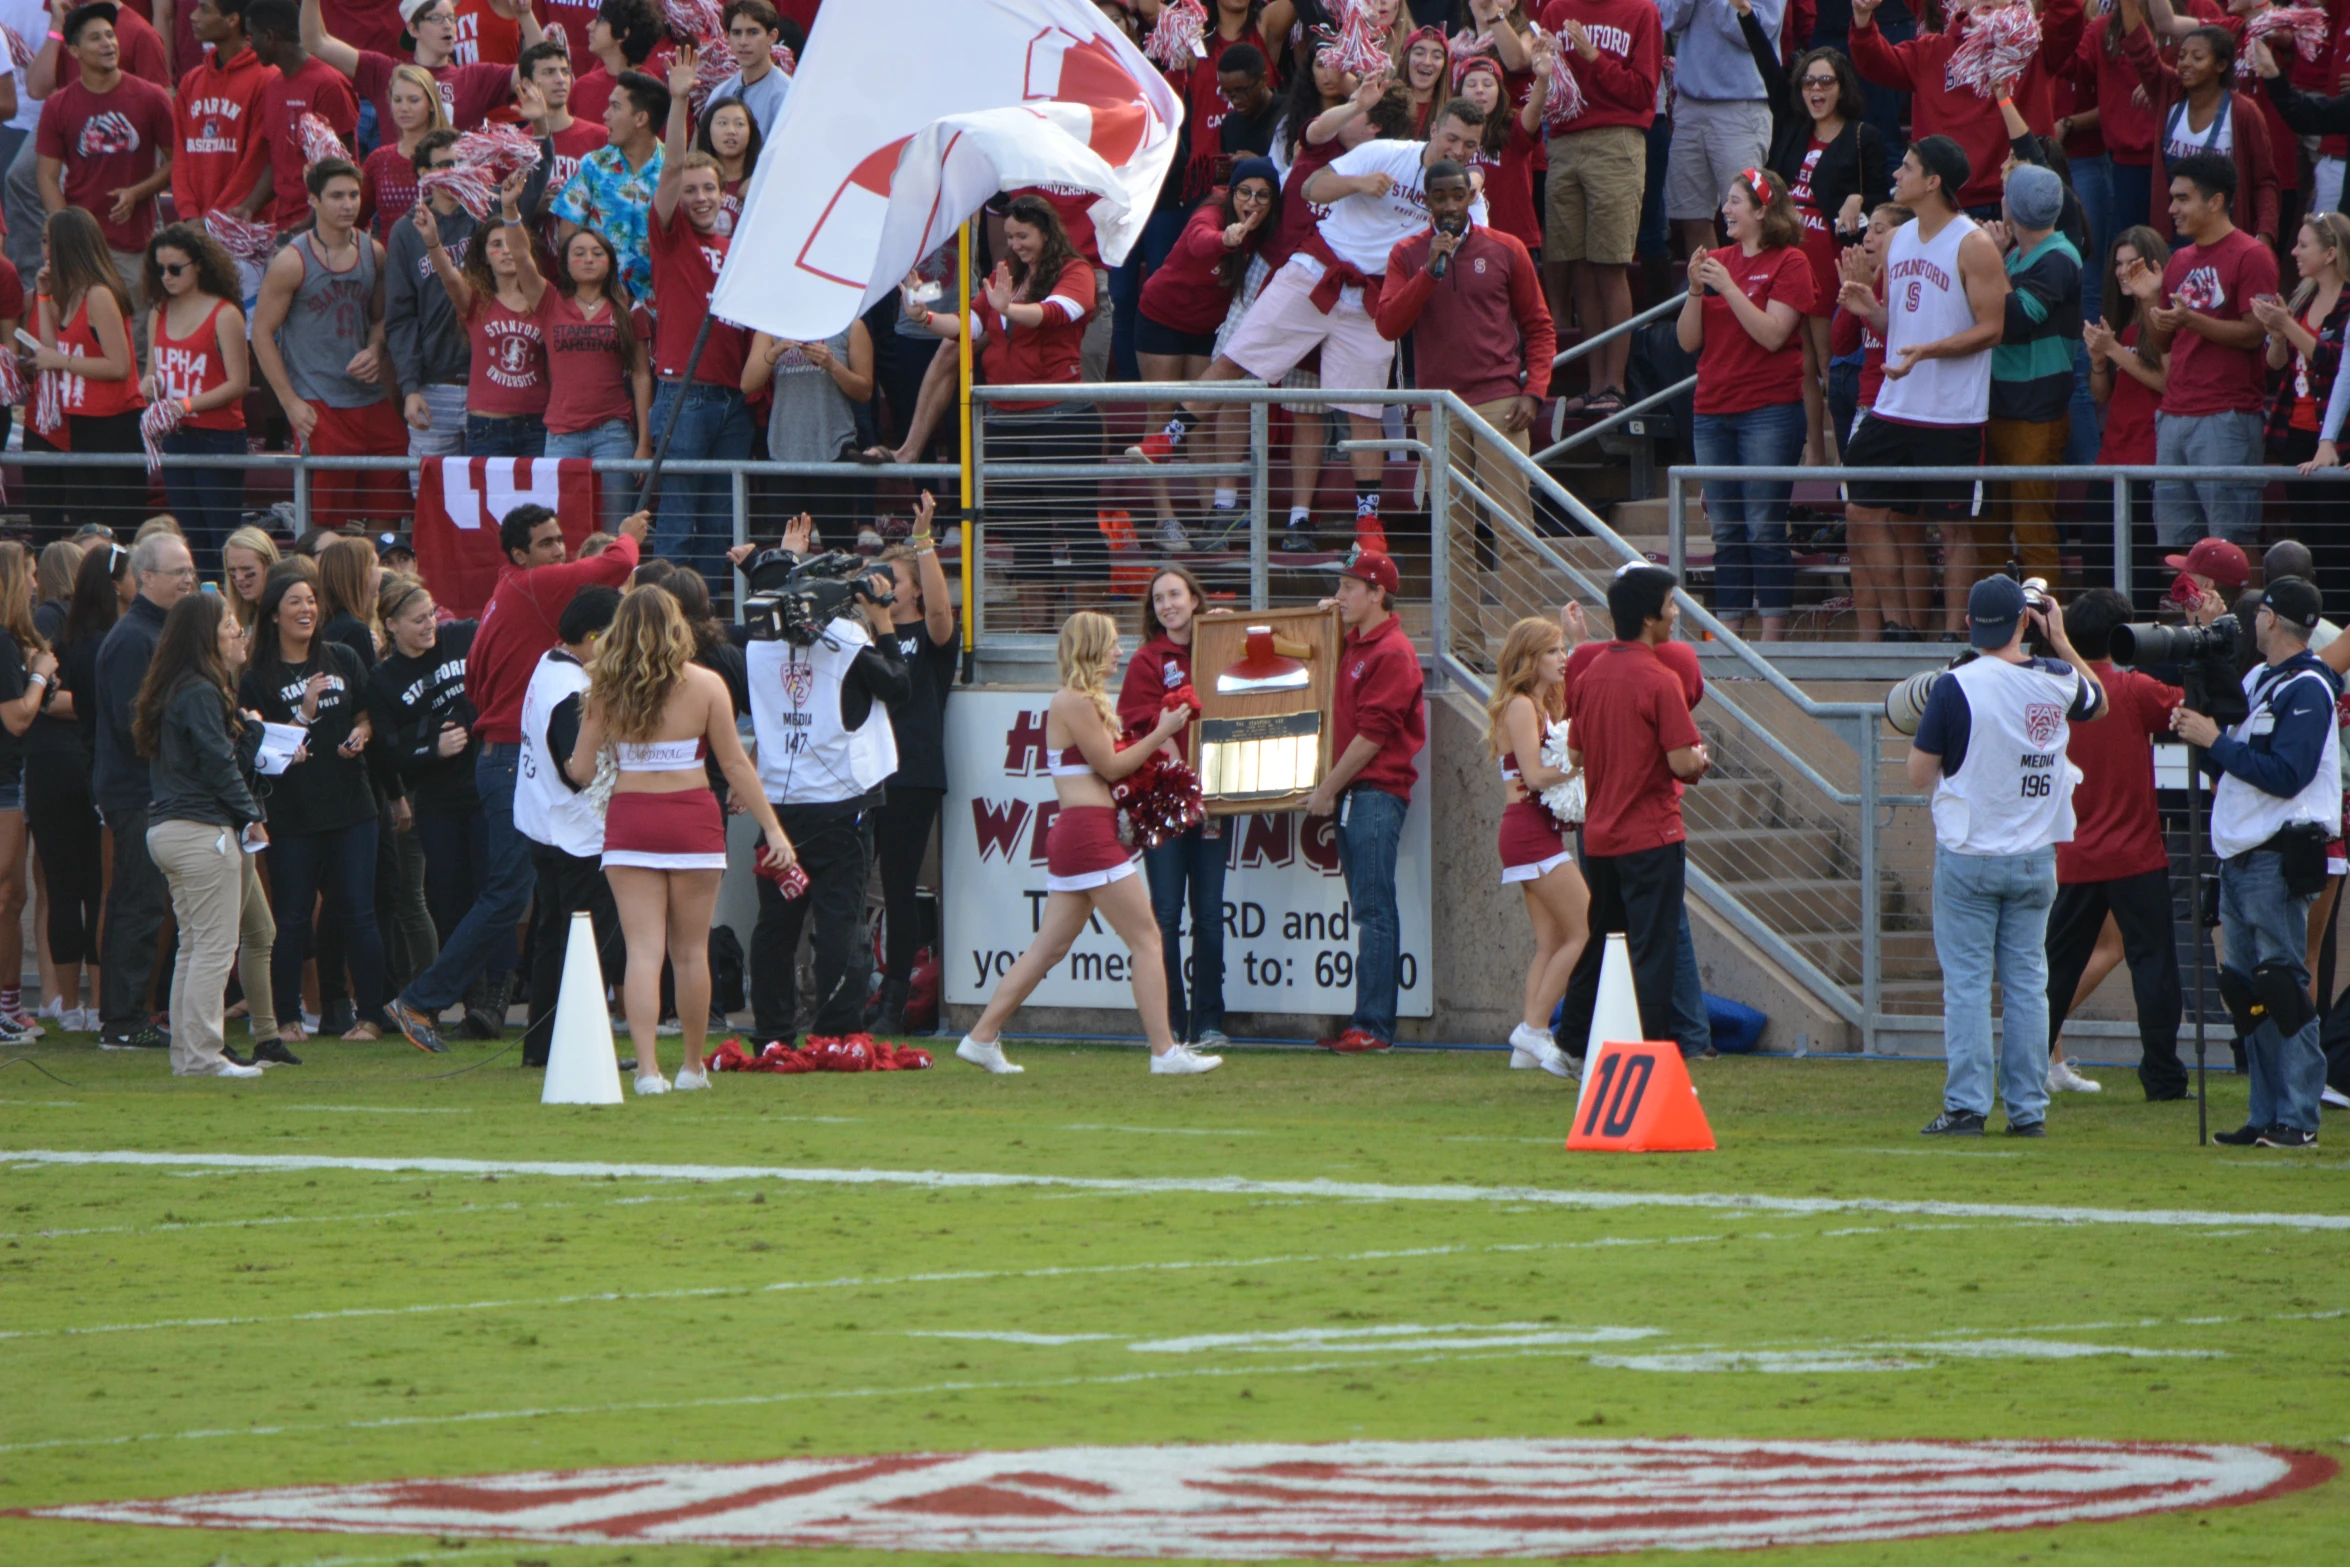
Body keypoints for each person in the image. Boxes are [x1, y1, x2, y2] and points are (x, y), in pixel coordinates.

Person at [1131, 95, 1490, 556]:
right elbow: (1310, 187)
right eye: (1453, 138)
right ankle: (1167, 439)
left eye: (1470, 145)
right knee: (1236, 359)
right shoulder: (1388, 153)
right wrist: (1359, 182)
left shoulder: (1467, 198)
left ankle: (1367, 524)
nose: (1459, 151)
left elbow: (1478, 247)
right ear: (1435, 129)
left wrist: (1459, 216)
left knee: (1362, 413)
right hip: (1316, 270)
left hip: (1374, 296)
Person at [385, 504, 644, 1054]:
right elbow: (612, 567)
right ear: (520, 555)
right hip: (515, 762)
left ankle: (541, 1041)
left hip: (503, 757)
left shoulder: (506, 591)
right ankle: (420, 1000)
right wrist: (627, 537)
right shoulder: (540, 588)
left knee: (543, 908)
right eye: (547, 543)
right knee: (511, 897)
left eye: (560, 539)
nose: (560, 551)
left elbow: (475, 672)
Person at [953, 610, 1217, 1078]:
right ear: (1093, 648)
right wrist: (1162, 731)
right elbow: (1112, 769)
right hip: (1086, 835)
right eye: (1114, 644)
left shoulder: (1084, 701)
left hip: (1085, 831)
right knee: (1147, 938)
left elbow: (1112, 775)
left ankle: (980, 1037)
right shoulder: (1073, 701)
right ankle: (1164, 1051)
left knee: (1048, 950)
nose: (1120, 652)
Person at [1907, 576, 2107, 1136]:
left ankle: (1968, 1106)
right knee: (2027, 984)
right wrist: (2061, 638)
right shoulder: (2056, 678)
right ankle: (2027, 1111)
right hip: (2035, 855)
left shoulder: (1956, 685)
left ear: (1971, 623)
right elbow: (2098, 701)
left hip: (1971, 850)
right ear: (2026, 620)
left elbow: (1919, 772)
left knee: (1968, 985)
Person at [572, 584, 791, 1094]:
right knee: (691, 951)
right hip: (693, 819)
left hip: (631, 821)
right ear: (678, 628)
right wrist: (774, 827)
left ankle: (649, 1071)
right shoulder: (708, 684)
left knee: (643, 951)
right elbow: (735, 763)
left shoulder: (603, 687)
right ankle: (694, 1067)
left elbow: (581, 770)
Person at [2174, 576, 2338, 1149]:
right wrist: (2205, 738)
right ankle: (2264, 1111)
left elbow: (2287, 775)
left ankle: (2299, 1115)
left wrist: (2214, 742)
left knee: (2283, 984)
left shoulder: (2311, 687)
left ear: (2271, 618)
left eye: (2258, 613)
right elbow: (2236, 769)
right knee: (2246, 989)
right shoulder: (2258, 679)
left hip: (2276, 852)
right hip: (2239, 854)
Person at [729, 520, 906, 1048]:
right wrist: (883, 621)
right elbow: (899, 684)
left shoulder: (754, 646)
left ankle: (772, 1033)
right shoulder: (846, 638)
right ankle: (835, 1032)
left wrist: (771, 563)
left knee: (775, 927)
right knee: (838, 924)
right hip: (841, 808)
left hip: (779, 808)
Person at [1374, 156, 1554, 665]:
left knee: (1512, 527)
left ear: (1471, 197)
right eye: (1440, 197)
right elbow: (1388, 324)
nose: (1451, 205)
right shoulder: (1408, 253)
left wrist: (1533, 390)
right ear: (1426, 201)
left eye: (1459, 196)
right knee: (1452, 532)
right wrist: (1432, 270)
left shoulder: (1506, 248)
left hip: (1499, 400)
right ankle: (1465, 649)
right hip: (1438, 406)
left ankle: (1528, 652)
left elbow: (1539, 326)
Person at [1841, 137, 2009, 638]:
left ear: (1933, 182)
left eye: (1908, 167)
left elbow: (1993, 328)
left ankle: (1957, 634)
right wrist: (1867, 310)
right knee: (1861, 509)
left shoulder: (1972, 243)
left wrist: (1926, 352)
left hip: (1953, 412)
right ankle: (1898, 624)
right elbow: (1903, 322)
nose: (1897, 173)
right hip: (1895, 404)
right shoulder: (1899, 239)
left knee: (1953, 528)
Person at [905, 192, 1099, 611]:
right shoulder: (1004, 275)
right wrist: (924, 316)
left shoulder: (1075, 270)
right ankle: (1035, 627)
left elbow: (1058, 313)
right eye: (1009, 236)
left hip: (1062, 419)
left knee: (1076, 526)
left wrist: (1009, 307)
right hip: (1005, 422)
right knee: (1025, 531)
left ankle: (1089, 630)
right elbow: (967, 326)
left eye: (1023, 235)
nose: (1014, 245)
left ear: (1046, 232)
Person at [1554, 566, 1712, 1061]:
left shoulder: (1589, 672)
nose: (1674, 613)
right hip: (1651, 835)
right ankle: (1653, 1054)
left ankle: (1572, 1045)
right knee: (1653, 949)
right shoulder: (1659, 678)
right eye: (1669, 604)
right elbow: (1682, 762)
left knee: (1601, 944)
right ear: (1649, 617)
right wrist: (1701, 759)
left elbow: (1576, 754)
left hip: (1600, 837)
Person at [2042, 587, 2192, 1101]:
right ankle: (2163, 1076)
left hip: (2075, 853)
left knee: (2055, 969)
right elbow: (2186, 706)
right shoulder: (2132, 689)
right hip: (2136, 855)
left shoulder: (2055, 693)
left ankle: (2023, 1064)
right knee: (2154, 967)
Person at [133, 589, 283, 1078]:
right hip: (200, 830)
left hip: (172, 830)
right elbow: (219, 765)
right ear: (206, 636)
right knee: (214, 948)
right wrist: (248, 814)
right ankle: (201, 1056)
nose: (237, 632)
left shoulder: (177, 687)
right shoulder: (198, 690)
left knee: (196, 947)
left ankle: (188, 1054)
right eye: (228, 626)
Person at [242, 564, 385, 1044]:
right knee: (292, 916)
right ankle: (286, 1018)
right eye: (295, 603)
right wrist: (302, 713)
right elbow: (257, 748)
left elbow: (366, 713)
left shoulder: (341, 656)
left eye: (311, 601)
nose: (306, 610)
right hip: (293, 813)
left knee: (357, 912)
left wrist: (361, 734)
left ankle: (370, 1017)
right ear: (275, 616)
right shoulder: (257, 676)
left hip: (351, 806)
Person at [1678, 167, 1814, 641]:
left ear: (1762, 210)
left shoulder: (1790, 261)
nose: (1726, 210)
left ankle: (1772, 642)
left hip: (1769, 410)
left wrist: (1730, 288)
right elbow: (1688, 341)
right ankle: (1730, 634)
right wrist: (1696, 289)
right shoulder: (1716, 259)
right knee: (1727, 532)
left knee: (1763, 527)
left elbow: (1774, 336)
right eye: (1726, 201)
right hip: (1712, 409)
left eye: (1736, 201)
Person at [1744, 23, 1887, 465]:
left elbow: (1885, 206)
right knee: (1800, 362)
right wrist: (1747, 15)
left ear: (1842, 87)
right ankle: (1816, 456)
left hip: (1830, 258)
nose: (1816, 89)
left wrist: (1858, 200)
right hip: (1788, 257)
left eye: (1825, 80)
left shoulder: (1865, 136)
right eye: (1809, 81)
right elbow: (1771, 72)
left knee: (1829, 361)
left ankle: (1847, 454)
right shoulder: (1792, 128)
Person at [1306, 547, 1427, 1054]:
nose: (1340, 596)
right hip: (1365, 792)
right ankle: (1368, 1022)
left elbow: (1373, 738)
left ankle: (1374, 1025)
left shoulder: (1390, 651)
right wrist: (1318, 624)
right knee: (1370, 910)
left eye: (1349, 588)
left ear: (1378, 593)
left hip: (1374, 792)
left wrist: (1328, 787)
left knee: (1374, 911)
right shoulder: (1363, 644)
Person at [252, 158, 411, 531]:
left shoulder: (373, 252)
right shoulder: (292, 261)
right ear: (314, 200)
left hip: (369, 398)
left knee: (388, 506)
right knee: (326, 520)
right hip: (318, 400)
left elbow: (378, 319)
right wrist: (290, 402)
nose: (348, 204)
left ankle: (376, 579)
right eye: (337, 196)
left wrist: (374, 349)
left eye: (354, 195)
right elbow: (261, 333)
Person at [1132, 156, 1279, 554]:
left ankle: (1210, 520)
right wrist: (1227, 239)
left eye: (1263, 195)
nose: (1252, 202)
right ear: (1232, 193)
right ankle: (1166, 521)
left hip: (1204, 329)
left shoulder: (1270, 231)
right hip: (1161, 316)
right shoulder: (1212, 212)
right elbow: (1199, 239)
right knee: (1162, 415)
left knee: (1197, 417)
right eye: (1245, 192)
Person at [2138, 152, 2277, 562]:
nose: (2172, 209)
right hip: (2175, 414)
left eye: (2182, 198)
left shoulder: (2252, 255)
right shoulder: (2179, 259)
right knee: (2179, 547)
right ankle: (2190, 625)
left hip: (2227, 417)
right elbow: (2163, 344)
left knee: (2233, 547)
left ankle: (2243, 626)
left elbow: (2255, 334)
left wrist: (2191, 320)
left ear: (2215, 201)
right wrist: (2149, 300)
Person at [645, 49, 750, 583]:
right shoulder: (671, 238)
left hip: (734, 398)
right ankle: (662, 624)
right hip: (684, 394)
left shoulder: (735, 247)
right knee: (679, 524)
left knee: (719, 531)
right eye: (692, 191)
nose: (702, 197)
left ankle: (708, 629)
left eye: (710, 188)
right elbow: (668, 171)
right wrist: (682, 100)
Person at [1118, 566, 1228, 1052]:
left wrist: (1234, 627)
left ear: (1194, 599)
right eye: (1159, 598)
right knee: (1164, 913)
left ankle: (1208, 1023)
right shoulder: (1146, 660)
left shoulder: (1218, 642)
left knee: (1207, 913)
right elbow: (1139, 726)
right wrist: (1183, 778)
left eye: (1175, 595)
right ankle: (1169, 1027)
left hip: (1215, 800)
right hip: (1163, 802)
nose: (1168, 605)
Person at [92, 531, 194, 1050]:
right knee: (138, 903)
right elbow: (135, 725)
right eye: (177, 571)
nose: (187, 578)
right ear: (144, 578)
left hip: (152, 791)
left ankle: (134, 1013)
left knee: (150, 904)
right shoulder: (135, 638)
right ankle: (122, 1021)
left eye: (190, 569)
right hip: (137, 793)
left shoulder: (159, 633)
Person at [1538, 0, 1663, 418]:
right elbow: (1548, 81)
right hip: (1564, 139)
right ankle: (1594, 387)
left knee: (1610, 265)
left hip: (1617, 140)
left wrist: (1593, 57)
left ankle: (1616, 384)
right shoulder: (1556, 9)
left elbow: (1643, 92)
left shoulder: (1642, 11)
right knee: (1578, 266)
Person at [514, 582, 621, 1065]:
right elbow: (576, 769)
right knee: (580, 947)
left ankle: (544, 1048)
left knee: (552, 941)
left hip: (546, 825)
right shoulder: (572, 689)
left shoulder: (548, 665)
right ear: (594, 636)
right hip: (575, 835)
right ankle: (576, 1049)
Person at [1848, 0, 2083, 218]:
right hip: (1946, 205)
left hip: (2018, 203)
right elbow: (1875, 61)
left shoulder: (2036, 41)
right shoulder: (1932, 49)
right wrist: (1862, 16)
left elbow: (2068, 13)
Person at [1484, 612, 1587, 1078]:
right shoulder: (1522, 705)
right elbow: (1535, 776)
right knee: (1585, 930)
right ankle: (1536, 1027)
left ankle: (1527, 1044)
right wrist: (1584, 768)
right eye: (1553, 650)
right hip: (1527, 829)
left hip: (1534, 831)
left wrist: (1584, 640)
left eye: (1563, 649)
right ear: (1529, 658)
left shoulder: (1545, 704)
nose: (1561, 658)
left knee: (1550, 942)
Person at [872, 496, 956, 1035]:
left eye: (891, 577)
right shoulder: (858, 634)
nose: (881, 583)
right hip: (859, 773)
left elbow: (944, 617)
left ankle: (896, 1001)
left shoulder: (928, 637)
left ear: (917, 588)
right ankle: (846, 990)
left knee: (899, 885)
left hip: (910, 773)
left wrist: (923, 543)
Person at [1978, 163, 2082, 588]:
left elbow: (2017, 316)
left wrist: (1991, 262)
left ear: (2012, 208)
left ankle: (2044, 633)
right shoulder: (2015, 254)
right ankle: (1995, 625)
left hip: (2035, 414)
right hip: (1998, 407)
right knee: (1988, 530)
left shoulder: (2059, 257)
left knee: (2032, 527)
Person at [36, 3, 174, 308]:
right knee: (84, 334)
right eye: (96, 38)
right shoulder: (58, 106)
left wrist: (138, 192)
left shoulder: (151, 97)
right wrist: (68, 233)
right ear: (74, 52)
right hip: (83, 248)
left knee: (137, 337)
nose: (108, 44)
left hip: (135, 243)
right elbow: (46, 176)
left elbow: (178, 160)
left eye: (111, 36)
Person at [2120, 1, 2278, 249]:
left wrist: (2265, 237)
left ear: (2221, 65)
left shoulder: (2244, 113)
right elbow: (2141, 50)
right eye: (2182, 56)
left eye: (2197, 57)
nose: (2185, 64)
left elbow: (2264, 182)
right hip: (2172, 238)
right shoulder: (2170, 91)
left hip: (2227, 241)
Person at [28, 207, 145, 537]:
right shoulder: (70, 293)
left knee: (116, 528)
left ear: (69, 245)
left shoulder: (99, 295)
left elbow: (119, 365)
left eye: (51, 242)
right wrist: (43, 295)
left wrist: (61, 362)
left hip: (114, 423)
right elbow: (52, 349)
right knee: (87, 526)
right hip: (81, 420)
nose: (46, 250)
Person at [419, 167, 550, 458]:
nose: (506, 251)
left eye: (511, 245)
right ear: (484, 256)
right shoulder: (475, 300)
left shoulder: (543, 298)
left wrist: (510, 207)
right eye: (496, 245)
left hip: (537, 425)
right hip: (487, 427)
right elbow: (450, 277)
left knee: (536, 506)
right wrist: (432, 240)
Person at [142, 224, 249, 567]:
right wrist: (149, 386)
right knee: (192, 536)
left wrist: (184, 404)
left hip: (218, 437)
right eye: (159, 270)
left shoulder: (225, 314)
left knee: (222, 536)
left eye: (175, 269)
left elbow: (238, 383)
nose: (166, 277)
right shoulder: (159, 311)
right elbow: (152, 372)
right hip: (176, 435)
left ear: (198, 265)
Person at [541, 225, 650, 530]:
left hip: (613, 433)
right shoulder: (549, 302)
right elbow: (523, 259)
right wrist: (510, 212)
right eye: (579, 253)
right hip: (561, 434)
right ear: (566, 263)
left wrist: (644, 442)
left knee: (616, 528)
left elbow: (642, 375)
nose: (588, 259)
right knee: (561, 527)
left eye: (597, 252)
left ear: (610, 262)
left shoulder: (630, 308)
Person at [27, 541, 94, 1032]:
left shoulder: (52, 620)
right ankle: (79, 1004)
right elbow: (47, 698)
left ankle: (68, 1003)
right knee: (88, 887)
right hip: (73, 761)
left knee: (64, 887)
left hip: (54, 765)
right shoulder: (64, 620)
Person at [1657, 0, 1781, 258]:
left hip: (1741, 106)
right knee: (1692, 217)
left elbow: (1755, 32)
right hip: (1689, 104)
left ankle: (1746, 295)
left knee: (1748, 217)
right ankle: (1709, 295)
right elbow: (1665, 18)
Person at [303, 0, 534, 135]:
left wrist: (525, 15)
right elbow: (316, 42)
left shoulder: (476, 77)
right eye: (437, 19)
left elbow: (536, 69)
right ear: (413, 29)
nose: (448, 26)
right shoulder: (386, 72)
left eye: (451, 19)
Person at [2084, 225, 2170, 586]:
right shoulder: (2120, 317)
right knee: (2097, 565)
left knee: (2138, 570)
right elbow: (2103, 395)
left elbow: (2167, 383)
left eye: (2131, 262)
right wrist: (2099, 361)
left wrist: (2114, 350)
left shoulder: (2163, 315)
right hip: (2110, 457)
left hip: (2148, 459)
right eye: (2118, 263)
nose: (2122, 271)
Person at [386, 130, 472, 468]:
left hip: (489, 383)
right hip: (435, 384)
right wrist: (409, 388)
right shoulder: (407, 231)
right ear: (424, 173)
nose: (455, 170)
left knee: (488, 502)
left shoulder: (488, 215)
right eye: (445, 164)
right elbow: (400, 316)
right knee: (433, 501)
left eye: (461, 162)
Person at [549, 65, 664, 306]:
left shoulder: (672, 171)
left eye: (615, 106)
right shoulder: (594, 165)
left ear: (641, 118)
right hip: (598, 302)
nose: (605, 115)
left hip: (656, 305)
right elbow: (568, 232)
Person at [172, 0, 274, 266]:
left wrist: (213, 222)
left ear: (232, 20)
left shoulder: (266, 78)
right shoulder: (191, 81)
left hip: (243, 231)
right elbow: (180, 156)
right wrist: (190, 216)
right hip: (196, 231)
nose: (193, 17)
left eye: (204, 9)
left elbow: (258, 161)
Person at [247, 0, 360, 237]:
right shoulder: (273, 87)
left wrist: (312, 220)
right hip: (288, 225)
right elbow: (277, 160)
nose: (250, 45)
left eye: (252, 36)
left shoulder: (328, 83)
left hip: (327, 229)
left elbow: (343, 164)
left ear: (269, 36)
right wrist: (248, 207)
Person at [0, 542, 53, 1037]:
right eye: (30, 576)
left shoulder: (10, 640)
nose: (36, 585)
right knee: (4, 894)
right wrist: (38, 676)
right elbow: (17, 717)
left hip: (11, 776)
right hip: (3, 778)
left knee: (14, 895)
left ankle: (9, 1000)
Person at [2258, 213, 2350, 479]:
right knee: (2303, 516)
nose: (2294, 251)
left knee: (2333, 517)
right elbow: (2277, 364)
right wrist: (2277, 335)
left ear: (2330, 253)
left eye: (2304, 245)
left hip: (2339, 431)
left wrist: (2288, 327)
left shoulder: (2346, 303)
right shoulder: (2303, 299)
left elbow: (2336, 361)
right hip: (2296, 426)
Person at [359, 62, 452, 240]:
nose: (404, 108)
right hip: (392, 260)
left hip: (442, 257)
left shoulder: (452, 155)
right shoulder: (379, 160)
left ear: (432, 104)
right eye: (397, 100)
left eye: (413, 100)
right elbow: (355, 216)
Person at [704, 0, 789, 138]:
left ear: (772, 37)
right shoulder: (720, 94)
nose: (743, 42)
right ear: (727, 37)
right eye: (737, 33)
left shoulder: (784, 95)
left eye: (753, 32)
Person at [694, 97, 758, 236]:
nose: (731, 131)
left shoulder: (761, 182)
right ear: (708, 129)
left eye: (739, 124)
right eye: (722, 123)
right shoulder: (692, 180)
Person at [221, 525, 279, 631]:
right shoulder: (233, 616)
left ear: (269, 564)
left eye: (246, 569)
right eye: (232, 570)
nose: (239, 578)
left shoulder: (284, 615)